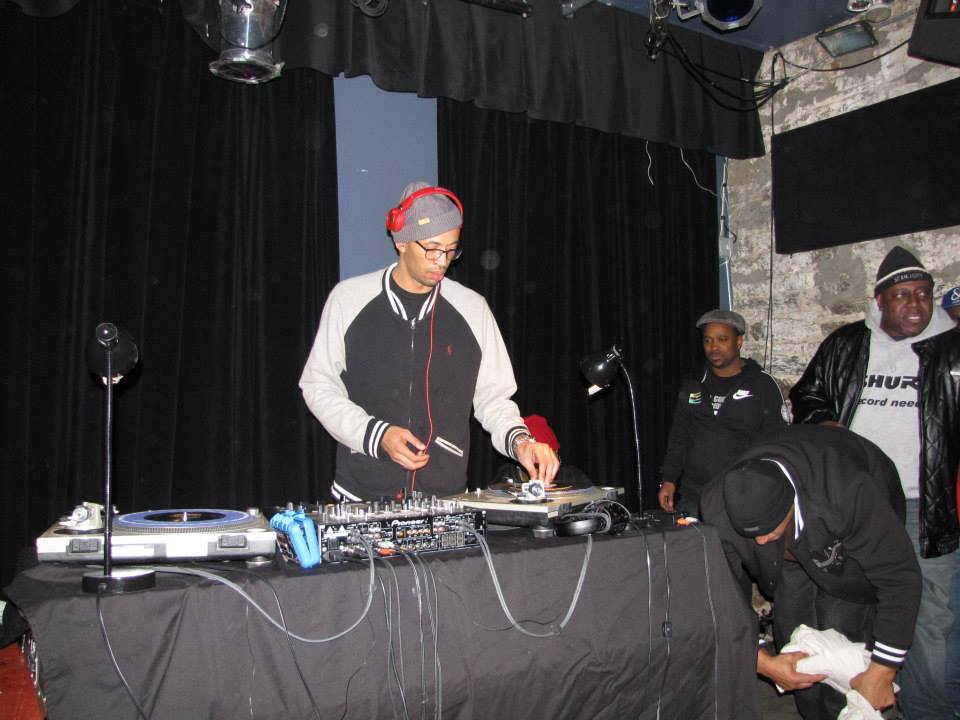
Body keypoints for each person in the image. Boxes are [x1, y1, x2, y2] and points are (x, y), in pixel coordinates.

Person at [300, 181, 559, 502]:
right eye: (433, 248)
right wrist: (377, 435)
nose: (442, 261)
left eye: (451, 250)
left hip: (445, 498)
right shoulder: (348, 299)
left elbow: (494, 400)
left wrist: (521, 442)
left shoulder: (473, 309)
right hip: (361, 495)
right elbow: (318, 386)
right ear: (401, 241)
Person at [789, 245, 960, 720]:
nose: (915, 304)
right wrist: (823, 423)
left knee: (930, 617)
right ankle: (867, 703)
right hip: (858, 504)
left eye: (923, 294)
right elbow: (808, 394)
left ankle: (929, 711)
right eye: (902, 295)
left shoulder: (952, 349)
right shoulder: (847, 344)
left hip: (926, 504)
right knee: (855, 609)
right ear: (880, 300)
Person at [701, 425, 922, 720]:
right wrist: (761, 660)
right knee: (793, 633)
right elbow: (722, 595)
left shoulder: (847, 492)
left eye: (768, 531)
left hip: (848, 530)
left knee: (839, 625)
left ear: (791, 504)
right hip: (795, 539)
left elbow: (899, 577)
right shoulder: (717, 507)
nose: (760, 542)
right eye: (751, 535)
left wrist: (883, 671)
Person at [657, 309, 788, 517]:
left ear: (739, 341)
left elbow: (778, 442)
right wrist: (669, 479)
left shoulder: (762, 384)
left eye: (722, 339)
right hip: (694, 496)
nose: (714, 347)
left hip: (743, 495)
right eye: (707, 340)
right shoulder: (693, 382)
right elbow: (679, 436)